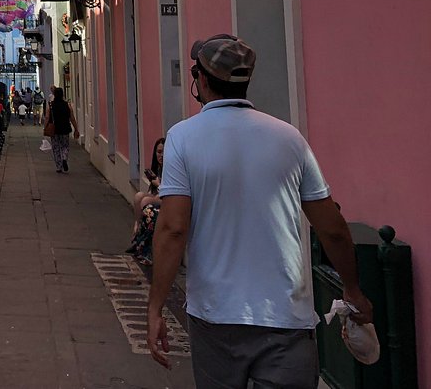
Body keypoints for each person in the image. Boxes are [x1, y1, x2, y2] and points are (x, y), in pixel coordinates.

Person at [147, 35, 373, 387]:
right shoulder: (289, 138)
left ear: (201, 81)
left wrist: (155, 307)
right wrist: (353, 290)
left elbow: (173, 229)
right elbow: (332, 228)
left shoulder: (183, 138)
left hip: (216, 316)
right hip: (285, 317)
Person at [127, 137, 165, 265]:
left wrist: (158, 184)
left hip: (167, 202)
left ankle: (145, 248)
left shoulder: (170, 168)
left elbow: (168, 192)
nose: (161, 155)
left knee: (146, 205)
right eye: (159, 152)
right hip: (158, 199)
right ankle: (137, 229)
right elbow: (152, 192)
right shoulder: (157, 168)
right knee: (139, 196)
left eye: (164, 152)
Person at [47, 87, 79, 173]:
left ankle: (59, 166)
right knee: (65, 146)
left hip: (54, 130)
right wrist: (76, 129)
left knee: (56, 147)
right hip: (65, 129)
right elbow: (72, 118)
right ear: (62, 95)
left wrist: (45, 127)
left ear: (54, 95)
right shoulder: (67, 105)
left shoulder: (51, 105)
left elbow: (47, 117)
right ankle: (64, 158)